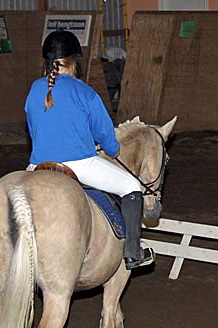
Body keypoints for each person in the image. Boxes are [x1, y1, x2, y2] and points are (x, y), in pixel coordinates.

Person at [24, 30, 154, 270]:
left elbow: (33, 130)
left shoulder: (34, 89)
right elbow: (104, 133)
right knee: (132, 187)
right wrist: (113, 150)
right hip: (79, 164)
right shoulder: (83, 91)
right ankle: (133, 251)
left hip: (37, 165)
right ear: (74, 61)